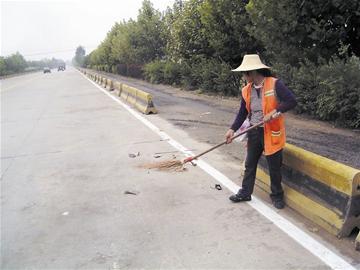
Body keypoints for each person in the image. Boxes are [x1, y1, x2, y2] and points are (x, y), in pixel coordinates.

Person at [225, 54, 297, 209]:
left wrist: (275, 111)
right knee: (250, 164)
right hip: (254, 132)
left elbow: (291, 101)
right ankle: (245, 192)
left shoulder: (274, 84)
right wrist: (232, 129)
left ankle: (277, 196)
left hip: (272, 132)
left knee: (274, 167)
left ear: (253, 72)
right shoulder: (246, 90)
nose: (243, 76)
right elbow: (242, 113)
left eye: (245, 73)